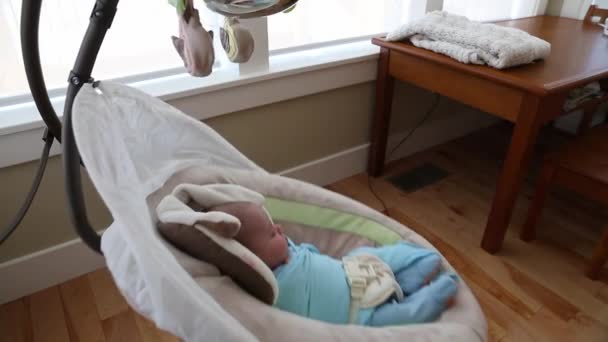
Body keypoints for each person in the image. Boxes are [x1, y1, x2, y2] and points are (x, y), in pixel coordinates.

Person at [211, 201, 458, 326]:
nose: (280, 228)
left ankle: (406, 276)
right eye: (272, 234)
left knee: (375, 254)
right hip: (359, 314)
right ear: (254, 261)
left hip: (352, 268)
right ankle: (426, 300)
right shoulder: (273, 289)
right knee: (398, 317)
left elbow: (313, 254)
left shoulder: (288, 249)